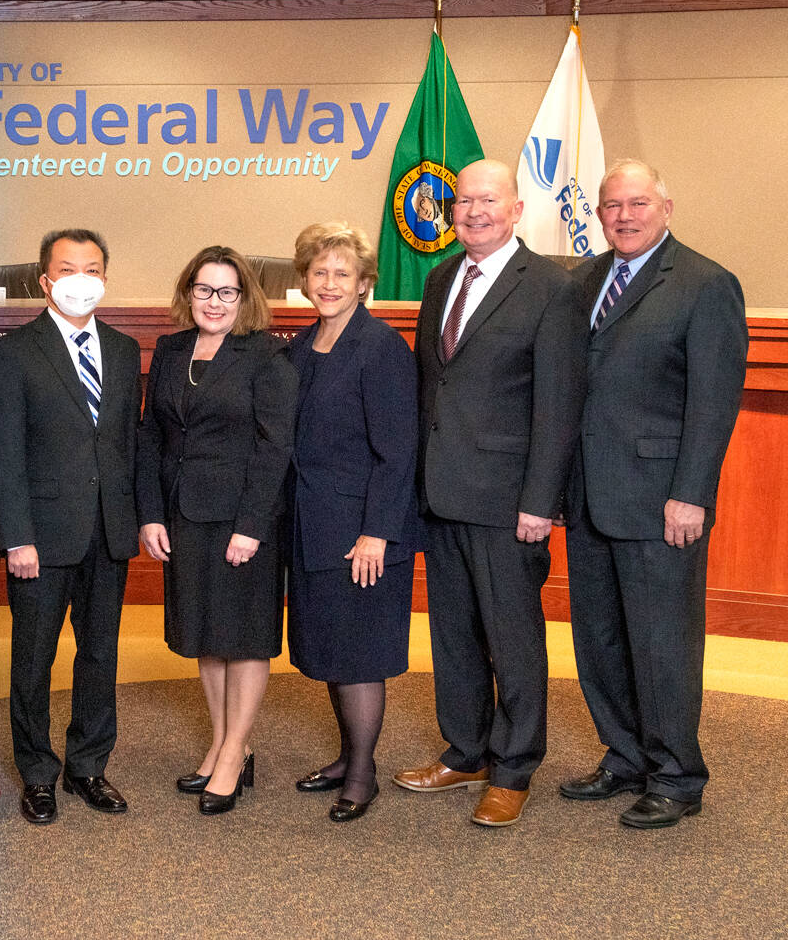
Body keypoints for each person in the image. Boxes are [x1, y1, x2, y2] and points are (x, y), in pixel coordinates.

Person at [393, 159, 585, 827]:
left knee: (512, 637)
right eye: (463, 200)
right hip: (440, 491)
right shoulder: (441, 276)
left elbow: (559, 404)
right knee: (453, 634)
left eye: (487, 199)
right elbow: (433, 386)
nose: (472, 210)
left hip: (509, 500)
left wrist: (541, 500)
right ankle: (466, 748)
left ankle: (513, 766)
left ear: (516, 207)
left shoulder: (552, 287)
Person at [560, 159, 747, 829]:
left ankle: (676, 773)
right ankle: (626, 755)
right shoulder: (582, 280)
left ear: (667, 206)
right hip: (586, 495)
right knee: (599, 636)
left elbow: (713, 401)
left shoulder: (704, 283)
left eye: (638, 203)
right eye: (611, 205)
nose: (623, 215)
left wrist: (692, 492)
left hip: (661, 499)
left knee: (662, 643)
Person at [0, 229, 141, 824]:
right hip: (41, 538)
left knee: (100, 654)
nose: (81, 278)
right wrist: (15, 535)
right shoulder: (14, 352)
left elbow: (128, 443)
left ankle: (89, 766)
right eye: (67, 268)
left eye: (92, 268)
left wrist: (136, 519)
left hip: (109, 531)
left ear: (105, 277)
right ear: (45, 279)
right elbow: (2, 451)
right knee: (33, 659)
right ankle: (39, 773)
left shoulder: (124, 352)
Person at [137, 246, 296, 815]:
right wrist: (151, 512)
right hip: (184, 514)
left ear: (244, 299)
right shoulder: (172, 349)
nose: (214, 302)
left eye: (227, 291)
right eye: (204, 290)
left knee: (244, 635)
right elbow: (152, 436)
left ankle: (232, 756)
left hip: (242, 520)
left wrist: (251, 525)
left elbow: (274, 447)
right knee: (205, 632)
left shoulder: (265, 356)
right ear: (188, 292)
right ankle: (227, 741)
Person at [284, 223, 421, 822]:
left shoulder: (382, 347)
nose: (330, 283)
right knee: (330, 648)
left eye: (343, 274)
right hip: (311, 523)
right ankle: (347, 756)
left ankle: (362, 773)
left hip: (363, 532)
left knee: (360, 654)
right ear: (304, 279)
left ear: (365, 283)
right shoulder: (298, 345)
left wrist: (377, 533)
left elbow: (399, 451)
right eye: (320, 272)